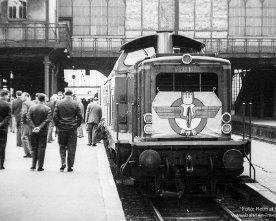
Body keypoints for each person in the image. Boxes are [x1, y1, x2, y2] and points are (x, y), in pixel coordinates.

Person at [53, 89, 82, 172]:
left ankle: (63, 163)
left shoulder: (58, 103)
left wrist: (57, 125)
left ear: (64, 94)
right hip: (72, 129)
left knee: (62, 146)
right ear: (72, 94)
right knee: (71, 147)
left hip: (61, 128)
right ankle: (70, 166)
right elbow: (80, 117)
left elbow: (55, 116)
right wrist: (77, 125)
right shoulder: (76, 103)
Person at [27, 93, 51, 171]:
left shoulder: (31, 108)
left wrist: (34, 127)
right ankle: (40, 166)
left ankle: (33, 165)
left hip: (33, 131)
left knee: (34, 148)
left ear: (38, 99)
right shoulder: (47, 109)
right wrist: (39, 127)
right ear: (44, 99)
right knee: (42, 148)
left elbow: (28, 118)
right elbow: (47, 120)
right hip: (43, 131)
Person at [21, 92, 35, 158]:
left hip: (26, 123)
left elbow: (24, 113)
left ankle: (28, 153)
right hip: (32, 122)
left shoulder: (25, 103)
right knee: (30, 137)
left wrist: (22, 121)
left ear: (26, 96)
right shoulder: (33, 103)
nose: (21, 98)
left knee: (24, 137)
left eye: (22, 96)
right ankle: (32, 151)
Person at [0, 89, 12, 169]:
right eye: (8, 95)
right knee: (2, 146)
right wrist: (1, 124)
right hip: (3, 128)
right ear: (4, 95)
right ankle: (1, 164)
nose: (8, 97)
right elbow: (9, 116)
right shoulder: (7, 104)